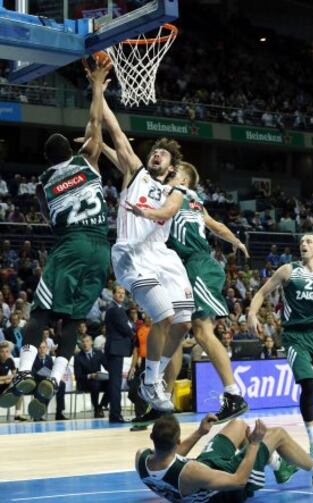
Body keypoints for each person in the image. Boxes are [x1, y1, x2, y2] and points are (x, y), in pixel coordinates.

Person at [0, 59, 112, 420]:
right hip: (101, 248)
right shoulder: (89, 161)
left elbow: (53, 221)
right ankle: (56, 377)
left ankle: (27, 371)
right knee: (73, 319)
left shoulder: (43, 184)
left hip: (74, 243)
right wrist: (97, 86)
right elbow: (95, 125)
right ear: (74, 149)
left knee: (42, 312)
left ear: (48, 159)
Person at [128, 161, 249, 422]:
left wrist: (142, 212)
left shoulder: (180, 196)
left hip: (198, 264)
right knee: (175, 328)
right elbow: (216, 226)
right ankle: (162, 402)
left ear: (185, 180)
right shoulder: (195, 202)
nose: (171, 173)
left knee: (202, 331)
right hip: (184, 268)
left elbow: (161, 210)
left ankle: (233, 395)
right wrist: (236, 240)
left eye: (176, 172)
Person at [96, 98, 195, 413]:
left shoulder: (175, 192)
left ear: (171, 169)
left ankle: (150, 376)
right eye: (155, 150)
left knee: (182, 324)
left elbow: (165, 210)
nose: (157, 154)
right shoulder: (137, 174)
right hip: (133, 253)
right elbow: (117, 135)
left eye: (164, 154)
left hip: (162, 256)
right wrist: (98, 92)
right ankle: (152, 381)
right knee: (163, 317)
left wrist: (149, 211)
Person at [248, 234, 313, 461]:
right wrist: (252, 313)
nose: (304, 244)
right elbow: (262, 293)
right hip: (294, 336)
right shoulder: (288, 270)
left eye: (309, 241)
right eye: (302, 241)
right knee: (308, 384)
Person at [136, 413, 313, 502]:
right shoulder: (190, 472)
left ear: (152, 438)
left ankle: (279, 466)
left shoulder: (142, 459)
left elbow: (171, 456)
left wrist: (200, 432)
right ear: (177, 440)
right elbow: (238, 481)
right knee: (277, 434)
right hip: (224, 492)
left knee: (237, 425)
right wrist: (254, 443)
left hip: (203, 473)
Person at [104, 285, 134, 423]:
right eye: (119, 293)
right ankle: (115, 415)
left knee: (115, 383)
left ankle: (114, 414)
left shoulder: (117, 309)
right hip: (115, 349)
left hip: (116, 349)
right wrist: (133, 332)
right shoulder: (115, 310)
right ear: (113, 294)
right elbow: (125, 328)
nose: (121, 295)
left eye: (123, 293)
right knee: (115, 384)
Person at [74, 335, 109, 418]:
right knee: (95, 384)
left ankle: (100, 406)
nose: (85, 344)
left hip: (98, 379)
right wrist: (90, 376)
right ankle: (97, 409)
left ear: (91, 342)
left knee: (112, 383)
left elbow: (107, 366)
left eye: (87, 341)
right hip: (85, 382)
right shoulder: (78, 357)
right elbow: (78, 376)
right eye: (83, 342)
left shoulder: (98, 353)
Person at [31, 341, 67, 421]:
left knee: (61, 384)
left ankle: (59, 413)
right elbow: (33, 373)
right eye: (40, 348)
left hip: (48, 381)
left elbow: (52, 372)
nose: (42, 350)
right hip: (38, 382)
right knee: (45, 388)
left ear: (47, 349)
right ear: (37, 349)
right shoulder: (33, 358)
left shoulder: (49, 358)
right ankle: (38, 414)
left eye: (44, 347)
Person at [0, 341, 26, 421]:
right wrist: (7, 378)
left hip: (6, 387)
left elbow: (15, 375)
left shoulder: (10, 361)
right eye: (2, 352)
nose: (5, 354)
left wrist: (10, 379)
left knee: (20, 389)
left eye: (7, 352)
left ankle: (17, 415)